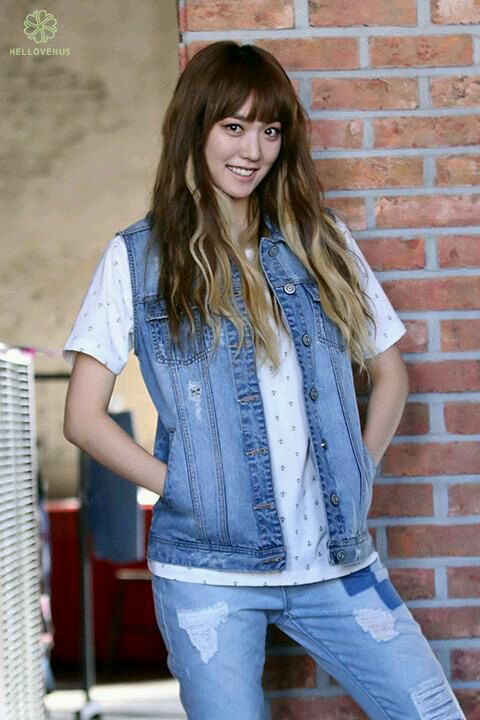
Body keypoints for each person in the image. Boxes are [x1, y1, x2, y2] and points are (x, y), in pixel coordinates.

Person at [63, 41, 465, 720]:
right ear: (196, 127)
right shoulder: (138, 258)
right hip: (208, 574)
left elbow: (390, 373)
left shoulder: (322, 240)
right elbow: (82, 416)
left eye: (270, 130)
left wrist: (360, 466)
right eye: (234, 126)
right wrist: (185, 486)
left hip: (337, 563)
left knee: (431, 712)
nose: (253, 150)